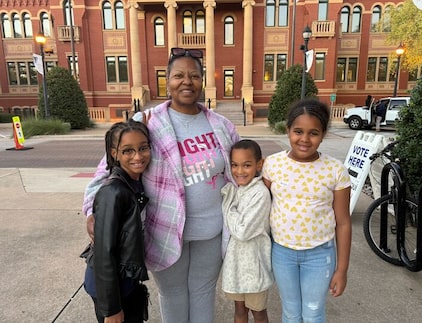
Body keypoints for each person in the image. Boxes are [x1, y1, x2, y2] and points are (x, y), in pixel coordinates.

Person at [82, 47, 240, 323]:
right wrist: (90, 209)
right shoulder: (147, 122)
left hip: (212, 230)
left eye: (194, 75)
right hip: (164, 230)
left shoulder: (222, 125)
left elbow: (240, 170)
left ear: (203, 80)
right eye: (178, 75)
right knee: (173, 293)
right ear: (167, 80)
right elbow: (108, 168)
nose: (186, 81)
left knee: (203, 291)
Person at [262, 98, 352, 323]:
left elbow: (343, 223)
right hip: (282, 253)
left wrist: (342, 270)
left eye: (313, 133)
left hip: (320, 255)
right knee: (291, 312)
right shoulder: (272, 165)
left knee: (313, 312)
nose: (304, 139)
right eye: (298, 131)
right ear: (288, 130)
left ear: (323, 134)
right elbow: (261, 208)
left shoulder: (335, 170)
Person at [82, 120, 151, 323]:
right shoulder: (113, 192)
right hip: (110, 288)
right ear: (114, 154)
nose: (138, 156)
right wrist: (111, 308)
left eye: (143, 148)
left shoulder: (134, 183)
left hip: (125, 282)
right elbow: (104, 252)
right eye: (128, 151)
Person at [221, 139, 273, 323]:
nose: (239, 171)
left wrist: (228, 208)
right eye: (235, 165)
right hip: (236, 266)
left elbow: (242, 231)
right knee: (240, 310)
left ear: (259, 164)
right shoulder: (237, 189)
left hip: (254, 267)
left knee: (258, 312)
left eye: (247, 165)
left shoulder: (260, 193)